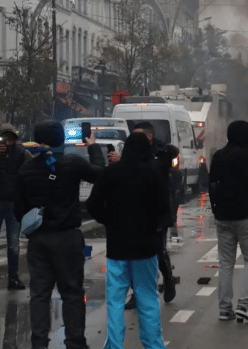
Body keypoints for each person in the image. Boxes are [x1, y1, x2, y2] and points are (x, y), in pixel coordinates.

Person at [14, 120, 104, 349]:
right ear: (62, 139)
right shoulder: (73, 162)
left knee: (39, 295)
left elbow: (19, 210)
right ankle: (75, 342)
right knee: (72, 293)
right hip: (68, 237)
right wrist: (92, 146)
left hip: (39, 239)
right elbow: (99, 174)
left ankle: (39, 343)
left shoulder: (27, 169)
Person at [87, 133, 168, 349]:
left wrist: (110, 221)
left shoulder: (110, 173)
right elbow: (163, 209)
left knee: (115, 300)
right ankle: (153, 345)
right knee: (147, 298)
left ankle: (114, 345)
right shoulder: (152, 174)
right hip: (146, 248)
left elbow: (93, 205)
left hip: (117, 247)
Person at [109, 121, 180, 307]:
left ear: (149, 136)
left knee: (158, 250)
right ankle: (136, 293)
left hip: (156, 212)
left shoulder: (160, 153)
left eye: (138, 135)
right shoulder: (131, 154)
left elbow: (154, 170)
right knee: (134, 253)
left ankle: (168, 279)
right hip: (134, 210)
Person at [209, 121, 248, 322]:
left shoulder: (218, 156)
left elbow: (212, 185)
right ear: (243, 137)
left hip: (222, 216)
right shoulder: (246, 157)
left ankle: (224, 309)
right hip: (244, 216)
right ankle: (244, 305)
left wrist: (216, 209)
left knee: (225, 263)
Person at [0, 123, 33, 291]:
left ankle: (13, 278)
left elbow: (31, 173)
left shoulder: (23, 153)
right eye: (4, 136)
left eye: (10, 136)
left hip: (14, 203)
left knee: (13, 244)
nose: (7, 139)